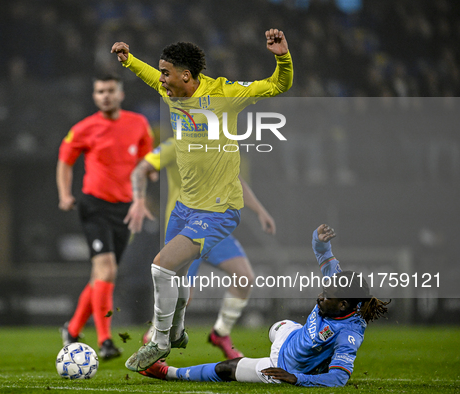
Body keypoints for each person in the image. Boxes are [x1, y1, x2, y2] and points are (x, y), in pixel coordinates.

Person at [111, 28, 293, 371]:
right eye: (162, 72)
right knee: (177, 278)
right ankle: (177, 331)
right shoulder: (172, 94)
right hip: (183, 207)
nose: (162, 80)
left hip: (218, 210)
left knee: (160, 266)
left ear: (186, 75)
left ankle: (161, 341)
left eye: (167, 73)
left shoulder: (224, 93)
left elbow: (277, 85)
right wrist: (130, 61)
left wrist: (282, 56)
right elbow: (151, 78)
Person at [137, 224, 390, 387]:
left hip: (284, 367)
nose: (320, 296)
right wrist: (320, 240)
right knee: (278, 326)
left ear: (344, 304)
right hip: (291, 335)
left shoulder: (348, 334)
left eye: (327, 296)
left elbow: (339, 379)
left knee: (228, 369)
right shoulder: (338, 286)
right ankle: (281, 340)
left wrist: (296, 378)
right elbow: (324, 255)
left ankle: (167, 372)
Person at [125, 136, 276, 359]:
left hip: (214, 225)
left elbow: (234, 179)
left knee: (244, 277)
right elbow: (141, 169)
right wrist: (139, 199)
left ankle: (220, 333)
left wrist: (259, 210)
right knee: (184, 297)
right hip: (186, 229)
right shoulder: (175, 144)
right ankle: (154, 337)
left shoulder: (219, 144)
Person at [56, 75, 153, 360]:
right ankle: (105, 340)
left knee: (101, 274)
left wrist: (146, 183)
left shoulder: (138, 124)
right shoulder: (85, 128)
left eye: (110, 90)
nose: (105, 96)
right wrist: (64, 194)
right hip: (94, 205)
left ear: (120, 94)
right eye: (100, 91)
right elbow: (65, 160)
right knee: (107, 271)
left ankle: (72, 329)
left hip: (123, 211)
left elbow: (146, 160)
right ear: (94, 96)